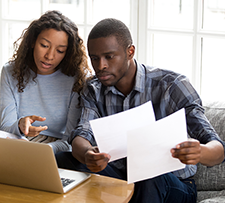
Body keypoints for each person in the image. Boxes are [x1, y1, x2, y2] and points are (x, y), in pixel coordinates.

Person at [55, 18, 225, 202]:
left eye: (109, 57)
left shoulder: (172, 85)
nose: (100, 65)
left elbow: (218, 148)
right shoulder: (94, 89)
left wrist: (201, 151)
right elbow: (82, 134)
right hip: (121, 178)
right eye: (94, 58)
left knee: (147, 175)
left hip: (172, 184)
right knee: (63, 160)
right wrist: (88, 154)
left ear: (130, 52)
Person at [0, 10, 91, 154]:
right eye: (44, 45)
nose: (49, 56)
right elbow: (6, 129)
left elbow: (70, 141)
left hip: (58, 150)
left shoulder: (77, 78)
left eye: (60, 51)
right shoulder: (10, 72)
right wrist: (19, 125)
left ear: (67, 53)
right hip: (19, 143)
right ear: (32, 42)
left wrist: (42, 151)